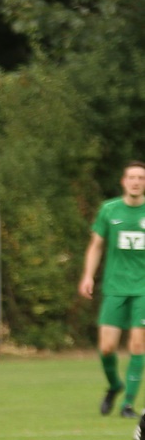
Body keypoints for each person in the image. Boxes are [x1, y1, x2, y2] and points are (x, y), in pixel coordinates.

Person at [79, 161, 145, 417]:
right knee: (106, 348)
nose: (136, 182)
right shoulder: (109, 209)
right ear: (123, 181)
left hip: (142, 289)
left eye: (141, 178)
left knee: (137, 345)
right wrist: (88, 276)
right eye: (132, 177)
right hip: (114, 287)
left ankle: (128, 404)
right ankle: (115, 385)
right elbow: (96, 245)